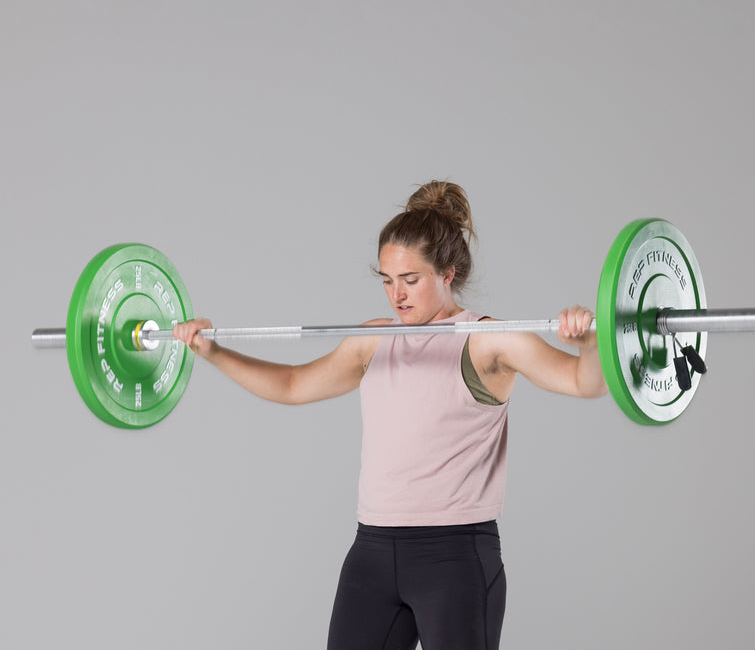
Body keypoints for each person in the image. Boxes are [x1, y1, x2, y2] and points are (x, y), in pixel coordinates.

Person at [173, 181, 608, 649]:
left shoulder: (490, 339)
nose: (396, 295)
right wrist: (211, 352)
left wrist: (591, 342)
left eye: (410, 279)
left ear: (448, 273)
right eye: (386, 280)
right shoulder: (374, 340)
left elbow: (586, 383)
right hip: (372, 554)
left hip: (455, 556)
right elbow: (293, 385)